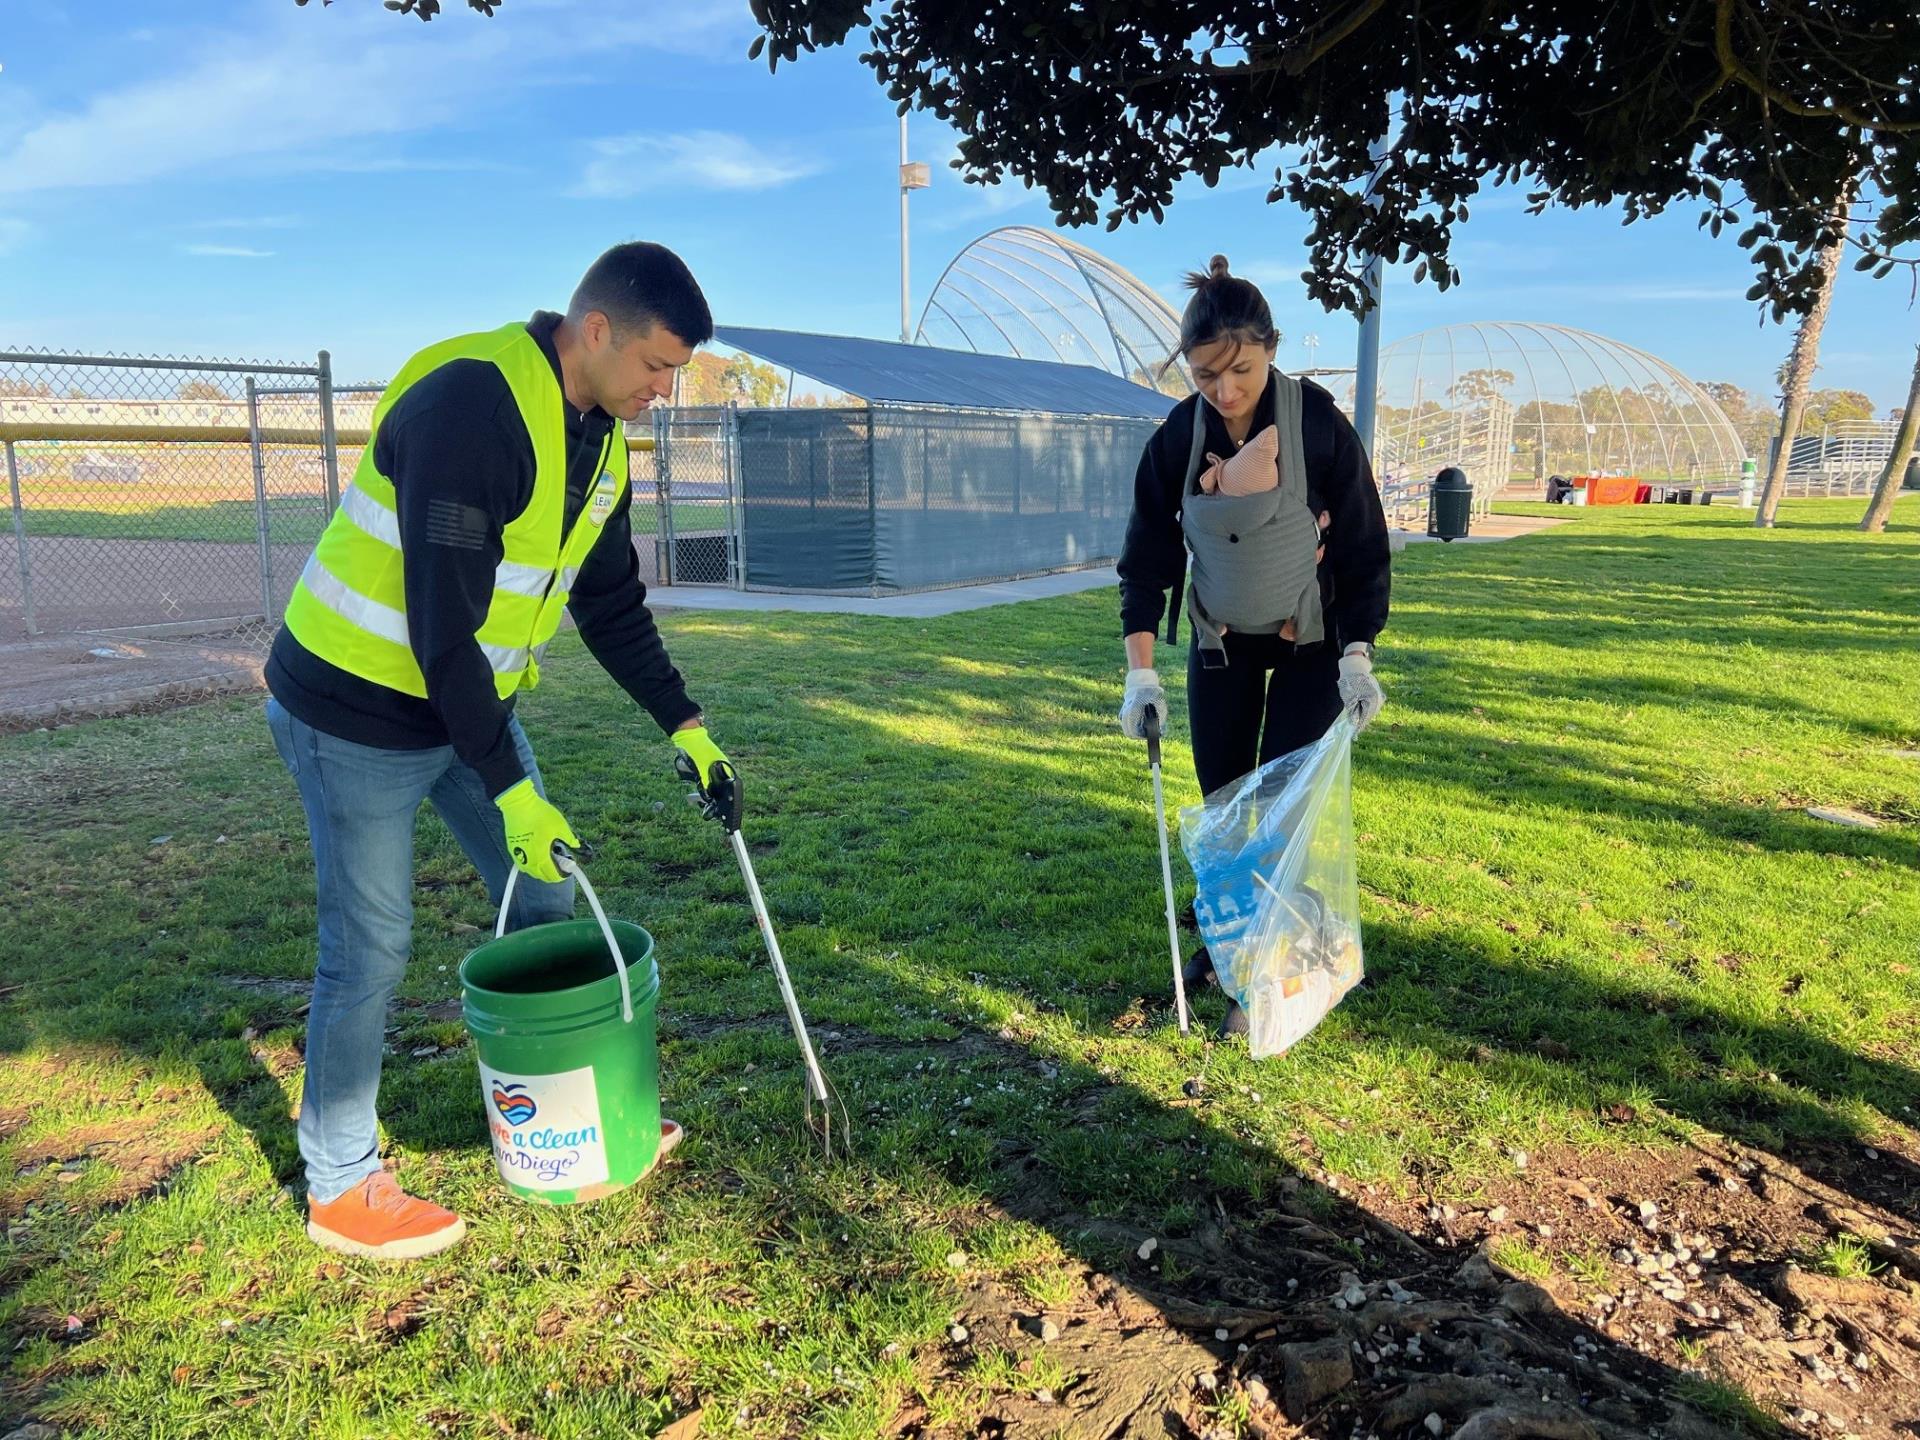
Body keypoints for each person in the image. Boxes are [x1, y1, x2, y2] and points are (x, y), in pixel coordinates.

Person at [264, 242, 727, 1259]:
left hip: (464, 702)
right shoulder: (474, 404)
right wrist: (513, 785)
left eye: (676, 375)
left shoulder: (601, 436)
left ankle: (548, 1109)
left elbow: (607, 599)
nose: (664, 391)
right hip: (353, 709)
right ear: (595, 330)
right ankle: (340, 1187)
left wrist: (684, 725)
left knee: (546, 897)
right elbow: (440, 627)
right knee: (371, 946)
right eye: (657, 366)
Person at [1114, 255, 1391, 1034]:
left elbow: (1364, 545)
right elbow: (1148, 557)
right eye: (1205, 375)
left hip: (1310, 646)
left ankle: (1287, 958)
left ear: (1269, 346)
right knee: (1227, 807)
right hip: (1220, 647)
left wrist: (1357, 655)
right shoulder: (1179, 436)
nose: (1225, 390)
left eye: (1238, 368)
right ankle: (1228, 946)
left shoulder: (1319, 425)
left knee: (1279, 808)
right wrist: (1141, 676)